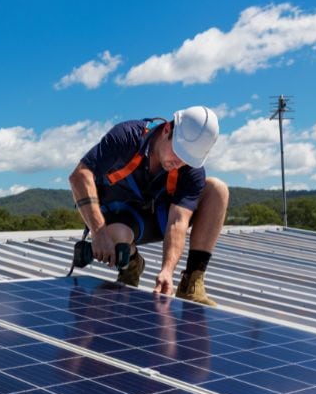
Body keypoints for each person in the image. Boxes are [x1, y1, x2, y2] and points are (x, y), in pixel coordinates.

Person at [68, 106, 228, 306]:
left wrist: (167, 271)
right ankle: (132, 264)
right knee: (116, 237)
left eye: (186, 160)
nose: (178, 163)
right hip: (120, 215)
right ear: (167, 130)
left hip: (159, 218)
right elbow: (80, 176)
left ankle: (192, 283)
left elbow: (178, 221)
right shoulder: (127, 137)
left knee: (217, 190)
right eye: (178, 153)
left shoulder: (190, 170)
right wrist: (98, 232)